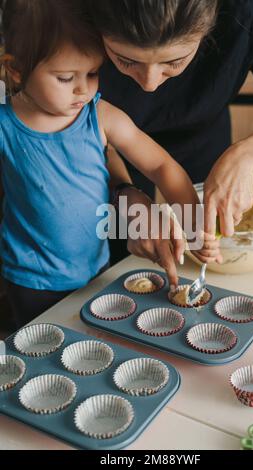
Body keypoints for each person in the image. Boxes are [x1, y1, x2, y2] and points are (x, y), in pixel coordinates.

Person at [0, 0, 220, 328]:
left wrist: (194, 225)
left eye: (92, 73)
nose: (83, 89)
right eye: (64, 77)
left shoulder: (99, 116)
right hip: (28, 282)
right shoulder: (5, 124)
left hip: (97, 271)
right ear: (16, 69)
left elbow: (162, 166)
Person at [88, 0, 253, 260]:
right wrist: (124, 192)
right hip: (99, 154)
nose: (150, 84)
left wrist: (248, 155)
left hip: (203, 146)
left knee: (204, 249)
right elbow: (74, 128)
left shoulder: (249, 11)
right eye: (125, 60)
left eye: (174, 62)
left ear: (210, 28)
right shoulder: (70, 15)